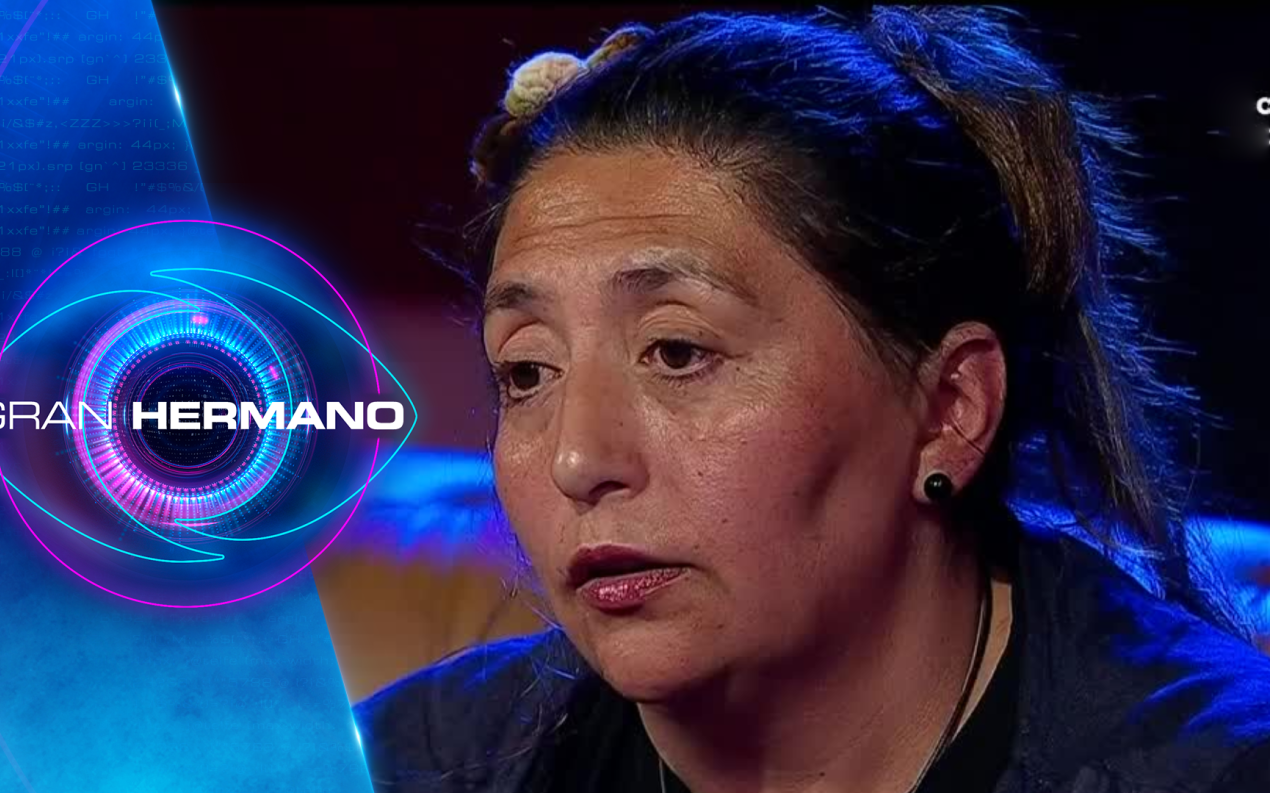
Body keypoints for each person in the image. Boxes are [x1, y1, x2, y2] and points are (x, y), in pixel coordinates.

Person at [354, 8, 1270, 792]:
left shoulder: (1213, 767)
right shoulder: (397, 766)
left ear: (951, 408)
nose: (577, 458)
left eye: (677, 351)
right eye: (526, 373)